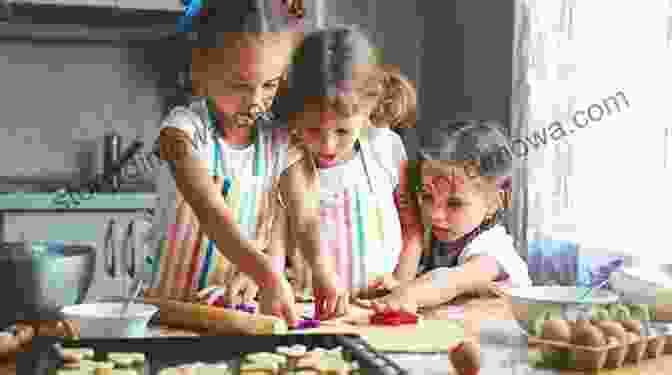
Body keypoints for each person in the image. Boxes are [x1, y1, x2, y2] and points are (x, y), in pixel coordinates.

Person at [141, 0, 304, 326]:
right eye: (240, 85)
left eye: (269, 84)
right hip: (168, 315)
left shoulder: (276, 140)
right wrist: (267, 274)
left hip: (232, 315)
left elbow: (278, 223)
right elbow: (211, 213)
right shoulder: (182, 131)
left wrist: (264, 270)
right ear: (201, 72)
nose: (256, 101)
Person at [264, 25, 416, 320]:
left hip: (377, 309)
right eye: (312, 129)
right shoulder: (287, 155)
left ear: (370, 106)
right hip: (307, 309)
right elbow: (278, 238)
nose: (328, 145)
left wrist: (401, 286)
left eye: (343, 131)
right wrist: (274, 286)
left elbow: (412, 231)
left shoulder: (386, 148)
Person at [370, 120, 532, 314]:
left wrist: (409, 294)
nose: (435, 215)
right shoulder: (437, 238)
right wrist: (397, 288)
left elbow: (452, 280)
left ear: (494, 203)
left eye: (454, 203)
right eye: (428, 197)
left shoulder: (492, 248)